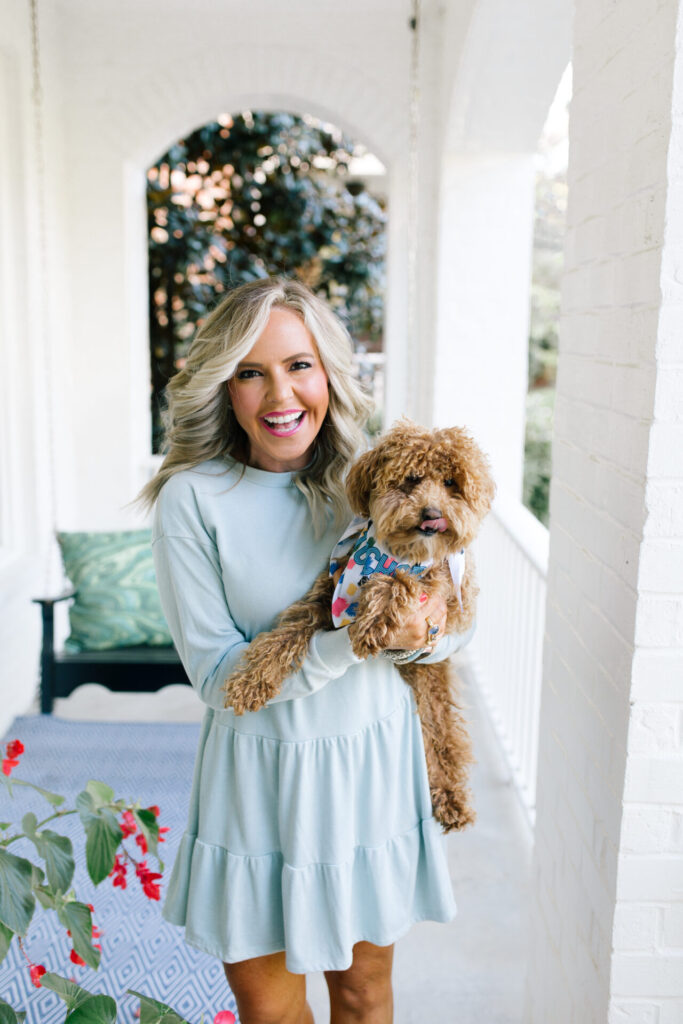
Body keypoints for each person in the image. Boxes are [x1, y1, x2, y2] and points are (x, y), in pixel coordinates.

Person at [139, 277, 474, 1024]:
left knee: (362, 998)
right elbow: (223, 679)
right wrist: (349, 644)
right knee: (272, 1015)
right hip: (256, 786)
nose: (277, 393)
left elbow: (451, 612)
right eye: (249, 372)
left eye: (298, 365)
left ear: (327, 373)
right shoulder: (193, 500)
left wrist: (423, 635)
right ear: (223, 388)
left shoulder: (377, 478)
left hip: (367, 770)